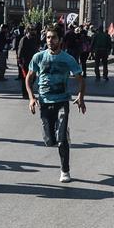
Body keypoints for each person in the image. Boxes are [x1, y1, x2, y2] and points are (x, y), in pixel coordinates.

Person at [26, 26, 86, 182]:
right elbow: (29, 78)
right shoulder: (39, 57)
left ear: (60, 40)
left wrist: (81, 96)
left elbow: (80, 79)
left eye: (53, 37)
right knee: (49, 141)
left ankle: (65, 171)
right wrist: (32, 98)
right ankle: (63, 134)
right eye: (47, 37)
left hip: (62, 101)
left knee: (61, 141)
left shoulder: (68, 59)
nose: (50, 41)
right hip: (45, 102)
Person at [17, 26, 40, 98]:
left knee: (33, 78)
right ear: (28, 31)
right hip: (25, 62)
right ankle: (25, 94)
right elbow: (20, 51)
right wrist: (19, 61)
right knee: (26, 78)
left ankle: (29, 90)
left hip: (33, 61)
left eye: (34, 30)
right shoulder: (24, 39)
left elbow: (37, 47)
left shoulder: (35, 38)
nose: (33, 32)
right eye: (32, 30)